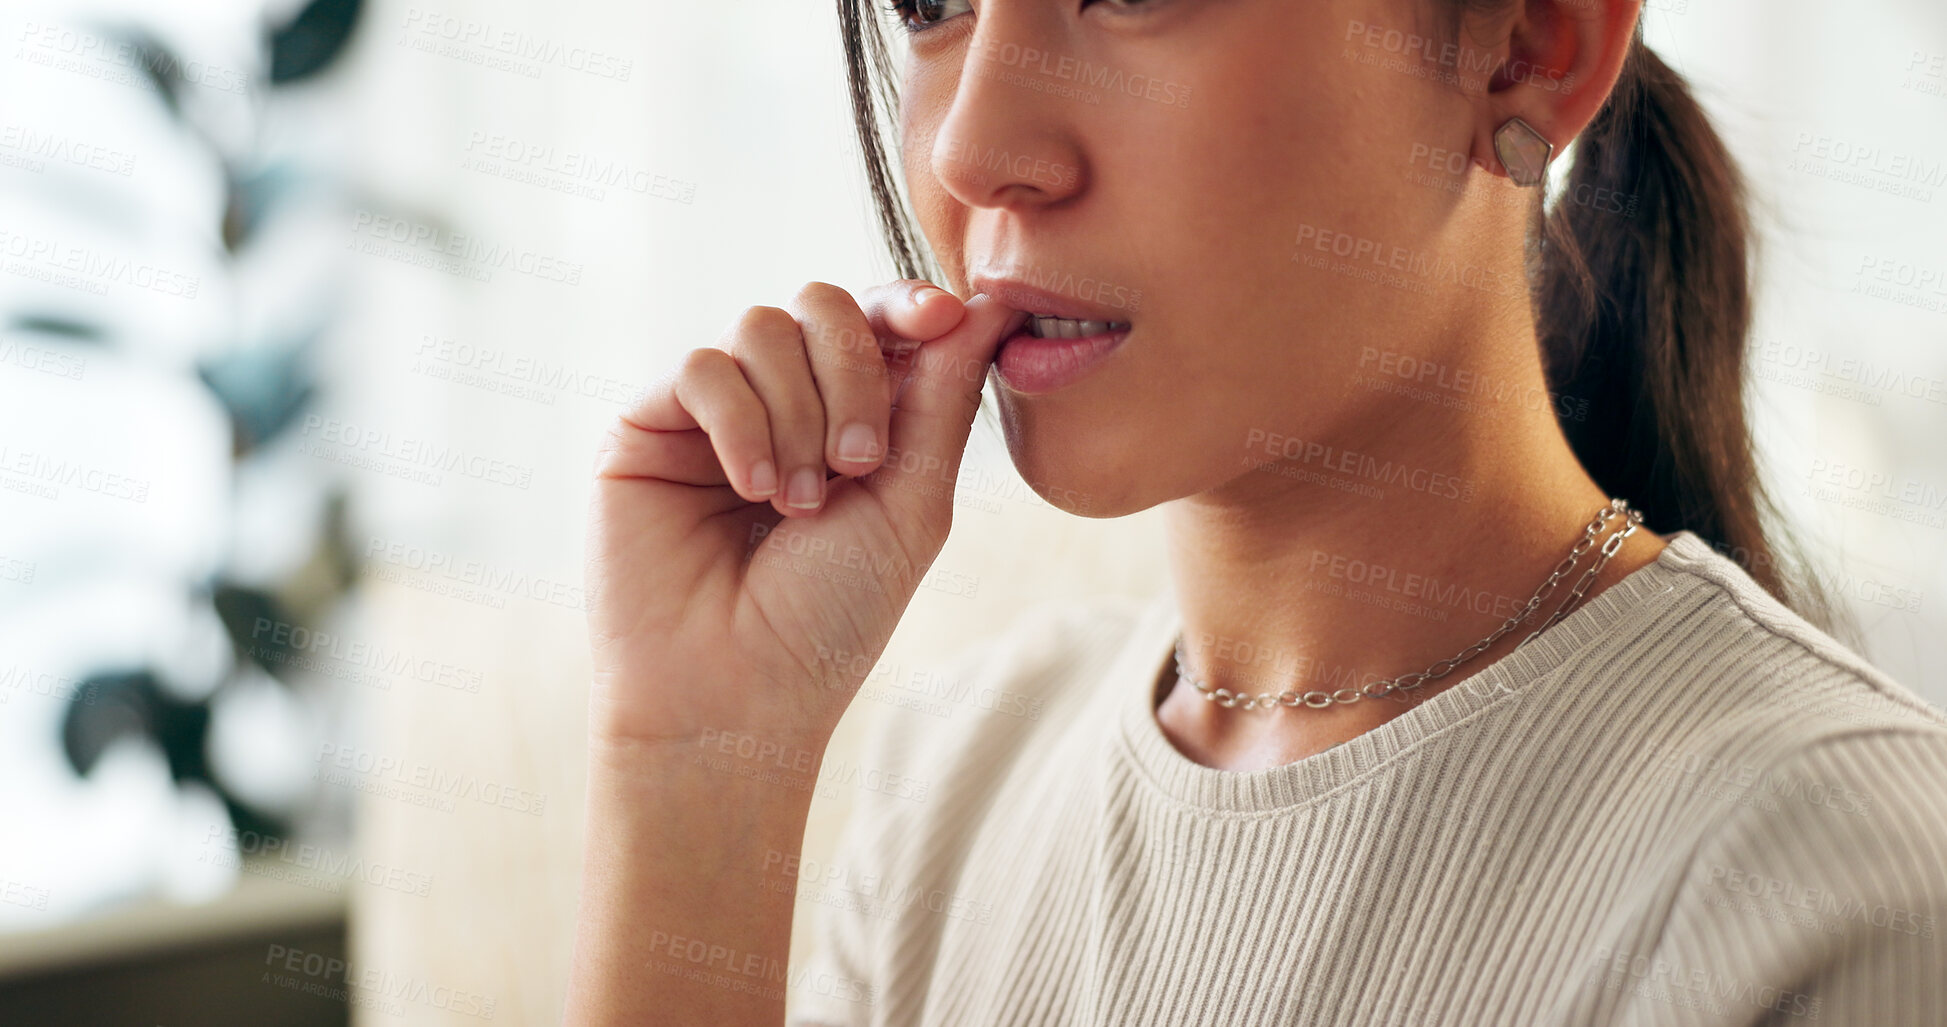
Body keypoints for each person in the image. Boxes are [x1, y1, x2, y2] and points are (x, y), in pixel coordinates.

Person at [564, 0, 1947, 1023]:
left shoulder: (1840, 878)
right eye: (931, 6)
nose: (978, 146)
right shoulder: (959, 787)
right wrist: (699, 765)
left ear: (1529, 48)